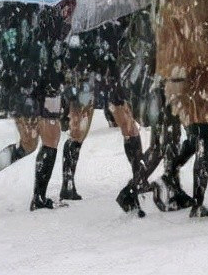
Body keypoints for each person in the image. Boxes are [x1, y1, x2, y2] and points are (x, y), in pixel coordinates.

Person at [117, 0, 208, 218]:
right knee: (194, 139)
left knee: (169, 141)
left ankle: (164, 186)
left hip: (168, 77)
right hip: (192, 79)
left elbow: (168, 39)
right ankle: (161, 190)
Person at [0, 0, 71, 211]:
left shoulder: (50, 6)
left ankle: (38, 198)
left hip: (48, 81)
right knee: (29, 144)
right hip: (23, 84)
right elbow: (9, 47)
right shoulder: (13, 12)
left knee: (50, 137)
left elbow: (57, 40)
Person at [59, 13, 150, 204]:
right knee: (78, 129)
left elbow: (122, 34)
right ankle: (67, 184)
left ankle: (140, 177)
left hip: (104, 67)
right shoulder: (83, 7)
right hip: (86, 67)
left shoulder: (113, 6)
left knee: (127, 124)